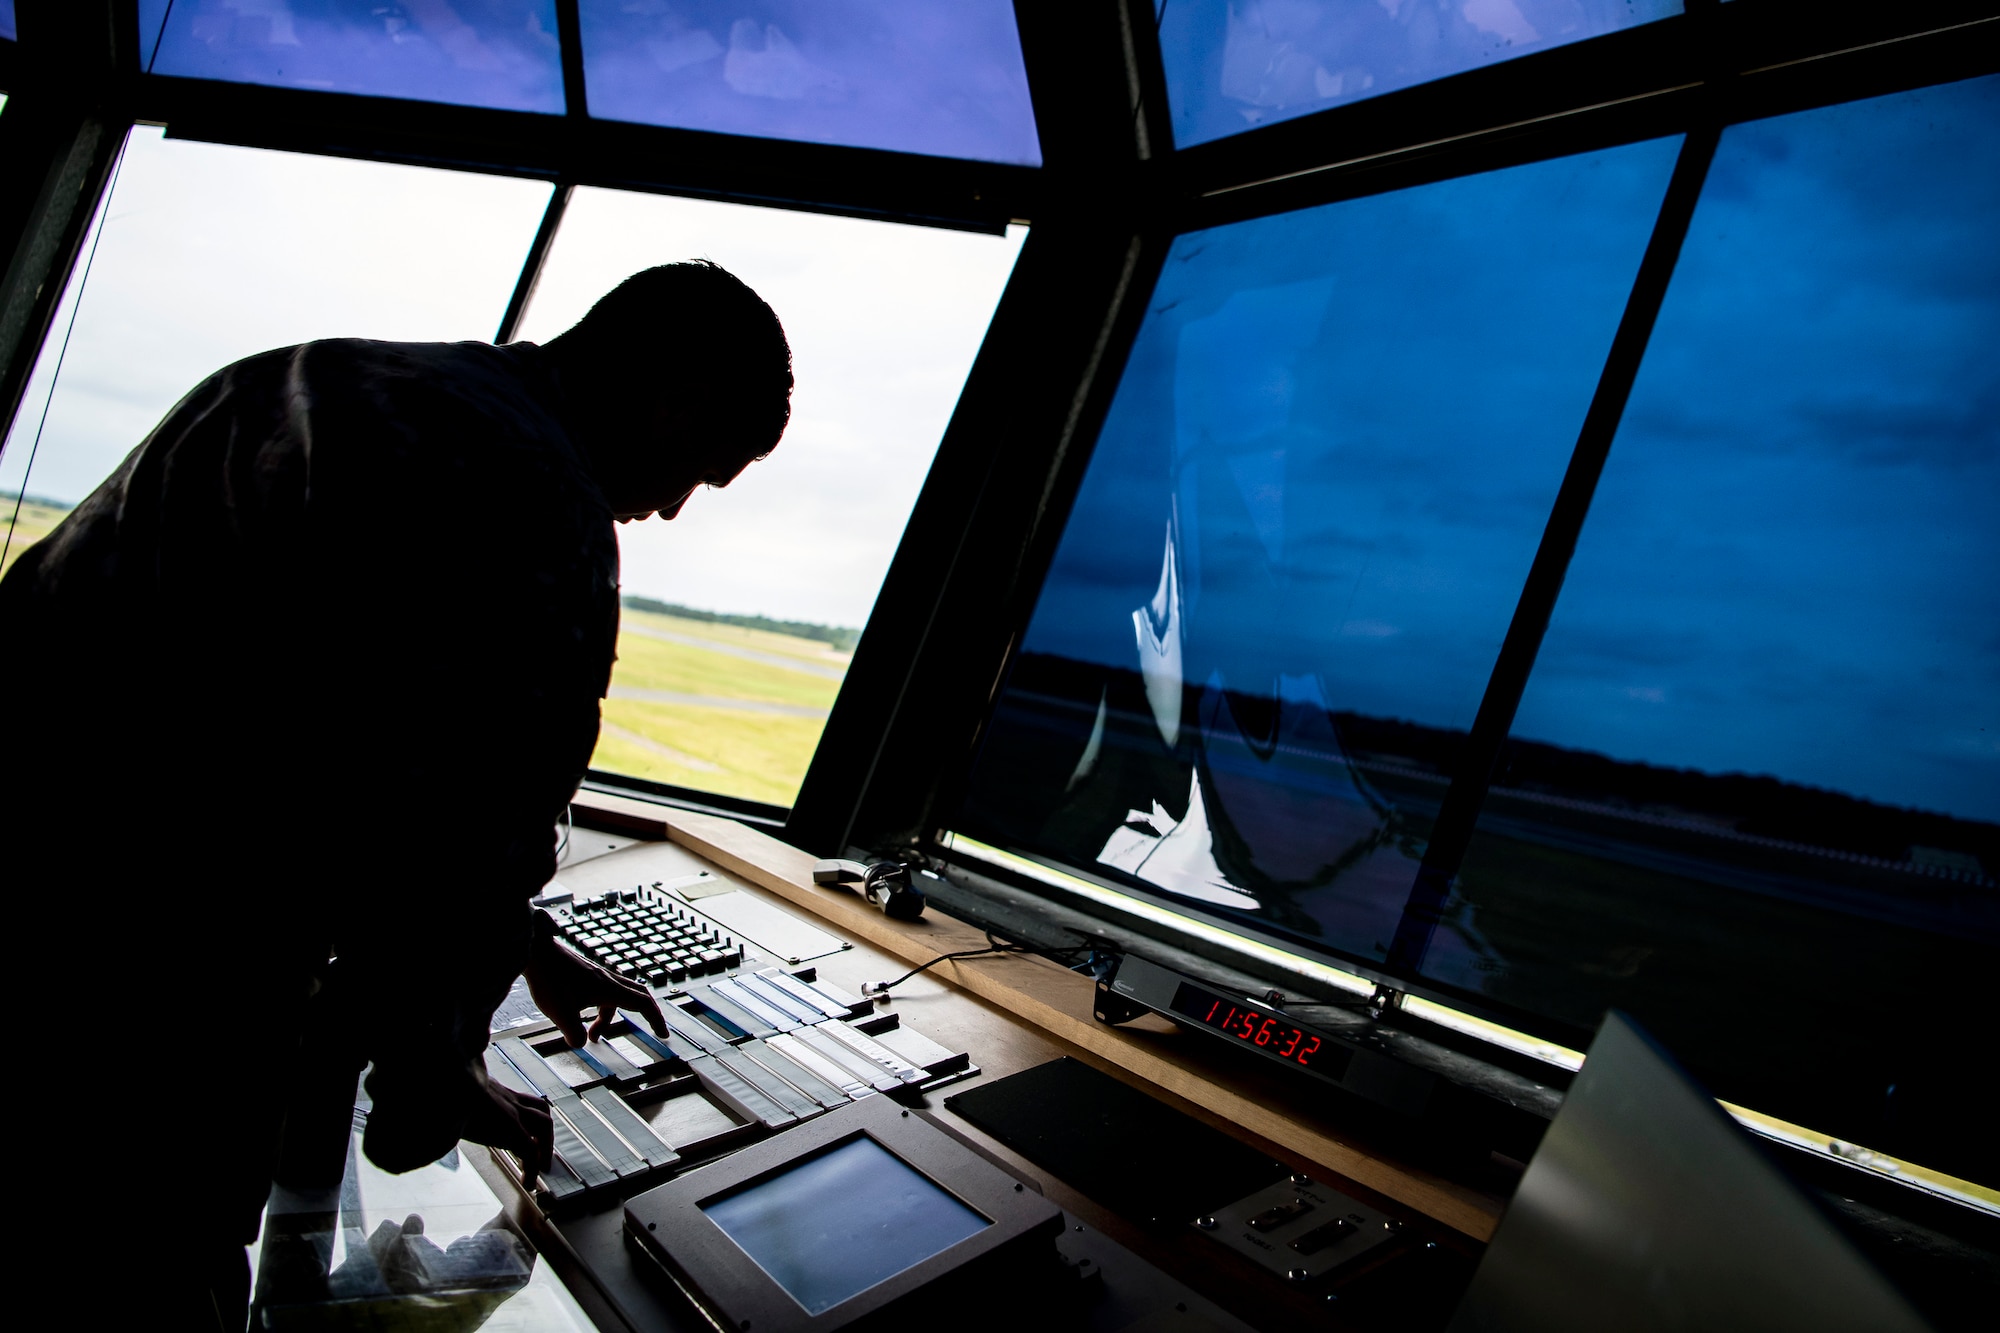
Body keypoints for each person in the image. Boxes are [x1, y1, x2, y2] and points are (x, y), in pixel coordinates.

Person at [0, 261, 792, 1328]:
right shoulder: (540, 503)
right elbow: (461, 830)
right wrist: (439, 1069)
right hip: (150, 1014)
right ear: (675, 397)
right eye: (698, 467)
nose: (668, 506)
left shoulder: (295, 378)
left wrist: (518, 943)